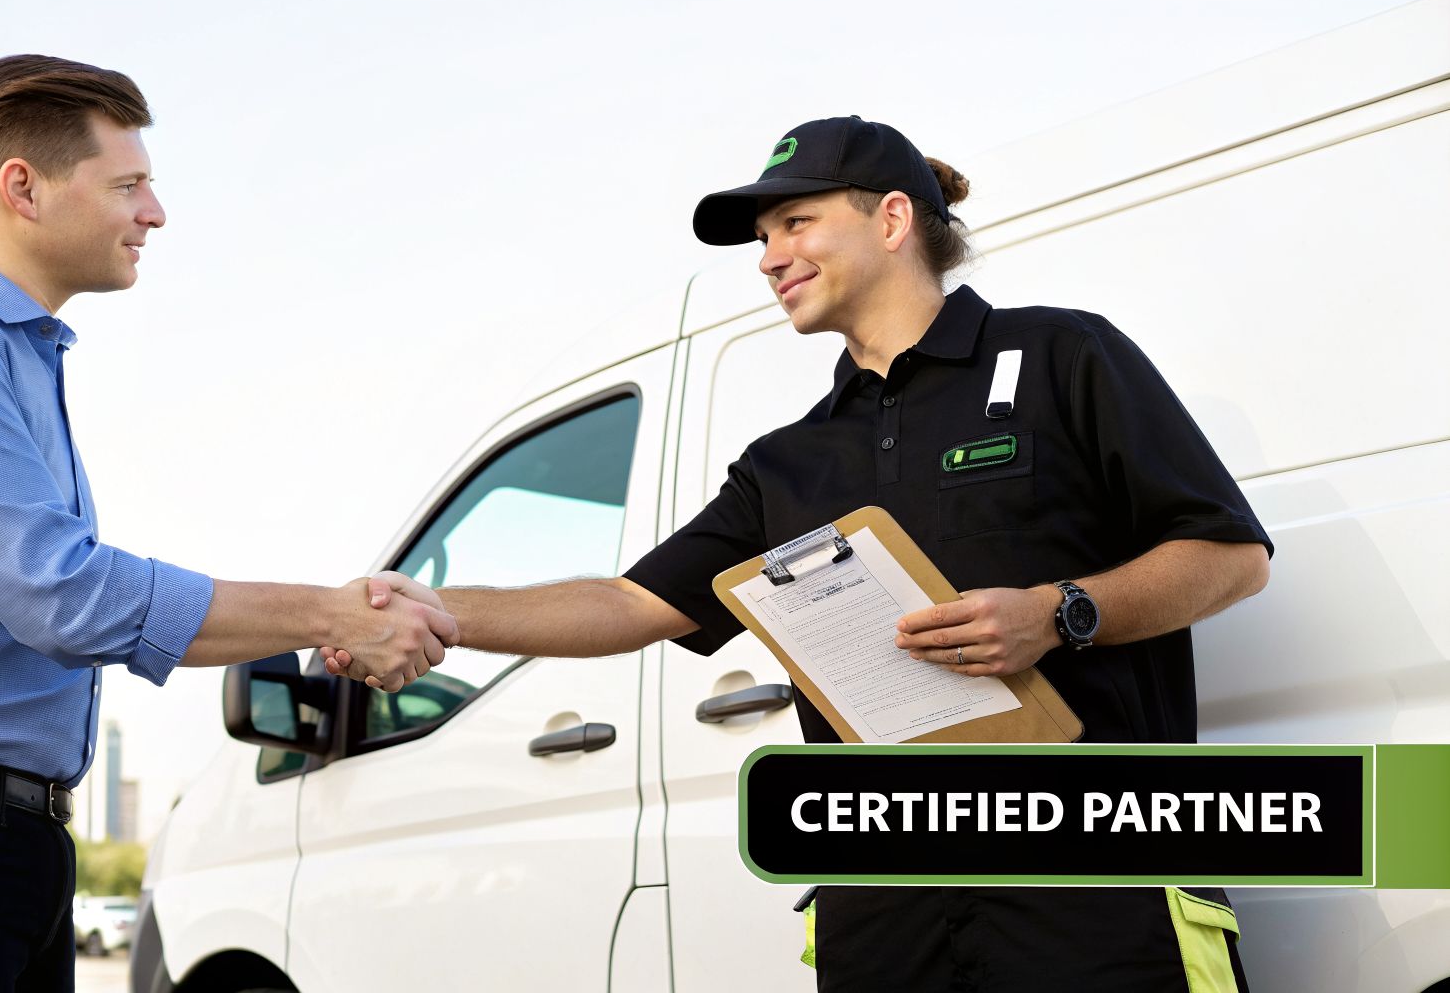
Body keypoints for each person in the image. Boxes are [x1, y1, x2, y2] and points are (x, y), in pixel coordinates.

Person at [322, 115, 1271, 989]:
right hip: (880, 905)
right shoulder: (788, 462)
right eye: (763, 238)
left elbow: (1230, 557)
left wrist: (1059, 613)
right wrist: (431, 608)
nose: (771, 257)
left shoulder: (1063, 358)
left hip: (1090, 893)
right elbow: (627, 602)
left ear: (892, 218)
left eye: (795, 224)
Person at [0, 54, 457, 993]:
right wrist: (330, 616)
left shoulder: (13, 353)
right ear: (22, 188)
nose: (153, 213)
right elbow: (64, 594)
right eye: (129, 184)